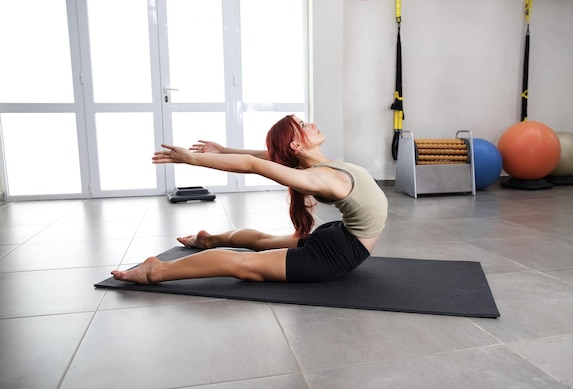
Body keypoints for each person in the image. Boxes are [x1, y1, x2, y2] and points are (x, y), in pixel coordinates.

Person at [111, 115, 388, 284]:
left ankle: (210, 240)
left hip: (339, 237)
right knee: (245, 266)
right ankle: (156, 271)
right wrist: (194, 158)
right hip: (338, 253)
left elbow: (268, 157)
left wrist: (222, 150)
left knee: (263, 242)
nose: (312, 124)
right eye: (303, 125)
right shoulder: (320, 177)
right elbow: (253, 163)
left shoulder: (316, 169)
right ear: (297, 145)